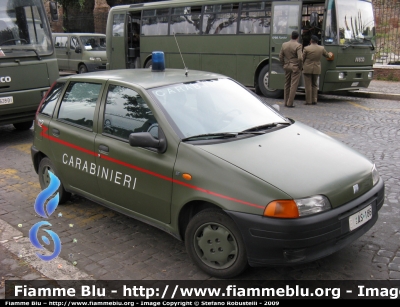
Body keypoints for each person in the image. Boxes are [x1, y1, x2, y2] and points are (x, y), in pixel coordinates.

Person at [302, 35, 333, 105]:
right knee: (314, 84)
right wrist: (330, 54)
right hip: (317, 68)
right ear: (317, 41)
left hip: (307, 68)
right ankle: (314, 100)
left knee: (308, 85)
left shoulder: (306, 48)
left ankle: (308, 101)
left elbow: (302, 58)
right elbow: (328, 55)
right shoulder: (321, 48)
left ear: (311, 41)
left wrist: (301, 66)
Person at [279, 30, 303, 108]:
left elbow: (280, 56)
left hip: (287, 66)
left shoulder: (284, 44)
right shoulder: (298, 45)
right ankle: (290, 103)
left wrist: (284, 64)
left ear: (291, 36)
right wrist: (300, 66)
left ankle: (285, 102)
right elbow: (300, 58)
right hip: (295, 66)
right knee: (293, 85)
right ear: (297, 38)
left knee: (287, 84)